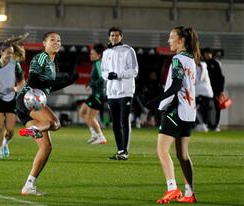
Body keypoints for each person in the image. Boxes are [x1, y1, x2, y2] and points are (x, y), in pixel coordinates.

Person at [16, 32, 78, 195]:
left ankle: (29, 185)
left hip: (32, 100)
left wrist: (68, 81)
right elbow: (34, 81)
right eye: (52, 40)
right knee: (55, 124)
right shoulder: (41, 58)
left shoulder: (52, 62)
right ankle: (33, 130)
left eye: (59, 40)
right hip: (29, 98)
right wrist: (62, 80)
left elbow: (48, 86)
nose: (56, 42)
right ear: (44, 43)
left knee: (46, 147)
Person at [145, 26, 200, 204]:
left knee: (161, 150)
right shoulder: (192, 60)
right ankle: (189, 193)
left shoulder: (177, 59)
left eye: (171, 37)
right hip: (189, 112)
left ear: (181, 40)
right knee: (183, 155)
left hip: (176, 110)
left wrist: (157, 101)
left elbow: (176, 85)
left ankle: (172, 188)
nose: (168, 40)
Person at [101, 27, 138, 160]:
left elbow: (134, 71)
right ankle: (120, 150)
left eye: (117, 35)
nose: (114, 37)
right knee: (115, 122)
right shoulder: (106, 53)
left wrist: (118, 75)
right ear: (109, 37)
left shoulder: (128, 50)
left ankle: (125, 152)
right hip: (112, 92)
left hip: (126, 91)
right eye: (112, 35)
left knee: (124, 120)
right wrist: (108, 76)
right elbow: (103, 71)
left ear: (121, 37)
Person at [79, 44, 107, 144]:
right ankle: (94, 134)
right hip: (95, 93)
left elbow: (102, 78)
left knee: (90, 117)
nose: (90, 55)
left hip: (98, 94)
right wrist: (90, 84)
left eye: (93, 54)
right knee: (82, 112)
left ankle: (101, 137)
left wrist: (91, 84)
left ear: (99, 55)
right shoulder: (96, 63)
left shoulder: (99, 63)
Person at [202, 48, 225, 131]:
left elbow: (221, 78)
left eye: (209, 53)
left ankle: (216, 125)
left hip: (216, 90)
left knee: (217, 107)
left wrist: (221, 90)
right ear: (203, 54)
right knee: (205, 107)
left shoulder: (216, 63)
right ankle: (206, 123)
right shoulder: (202, 64)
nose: (208, 55)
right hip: (205, 90)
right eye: (206, 53)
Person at [195, 61, 213, 132]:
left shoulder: (202, 68)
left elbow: (198, 80)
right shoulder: (198, 68)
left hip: (204, 93)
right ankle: (202, 125)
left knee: (200, 109)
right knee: (200, 109)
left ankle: (203, 125)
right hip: (201, 93)